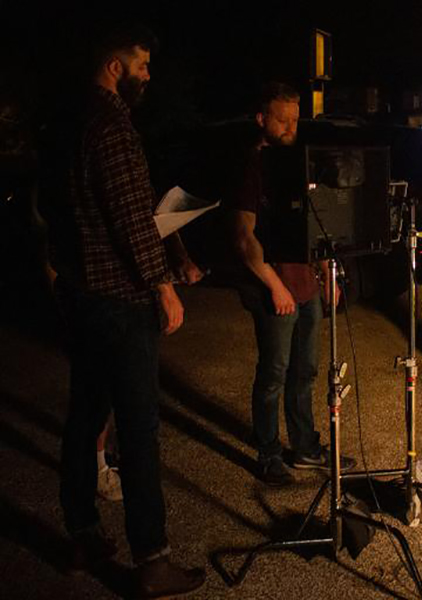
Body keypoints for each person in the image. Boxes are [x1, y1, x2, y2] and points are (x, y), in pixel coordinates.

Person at [40, 23, 205, 598]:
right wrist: (162, 285)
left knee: (86, 414)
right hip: (119, 300)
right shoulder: (111, 127)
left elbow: (56, 208)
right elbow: (132, 221)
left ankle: (82, 535)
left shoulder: (66, 121)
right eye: (141, 64)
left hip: (81, 293)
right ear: (115, 65)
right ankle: (152, 561)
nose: (148, 74)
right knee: (138, 428)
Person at [228, 82, 355, 486]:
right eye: (282, 120)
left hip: (305, 284)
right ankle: (268, 452)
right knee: (274, 373)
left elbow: (313, 223)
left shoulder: (296, 163)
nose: (289, 128)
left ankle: (304, 447)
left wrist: (326, 273)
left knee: (306, 371)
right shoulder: (253, 167)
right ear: (261, 119)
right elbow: (244, 238)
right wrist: (274, 285)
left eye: (295, 120)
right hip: (275, 288)